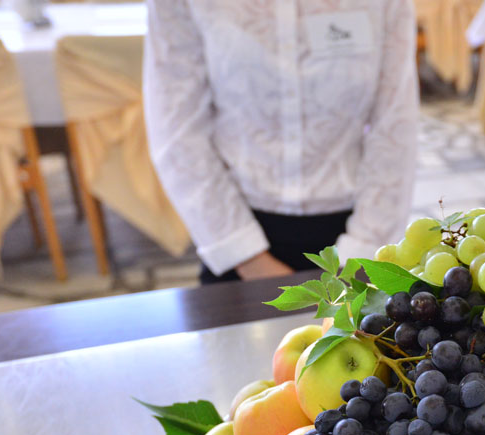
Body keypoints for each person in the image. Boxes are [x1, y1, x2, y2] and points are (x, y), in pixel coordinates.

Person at [144, 1, 419, 283]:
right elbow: (176, 129)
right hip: (236, 233)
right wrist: (250, 260)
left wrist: (360, 254)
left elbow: (395, 125)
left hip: (357, 230)